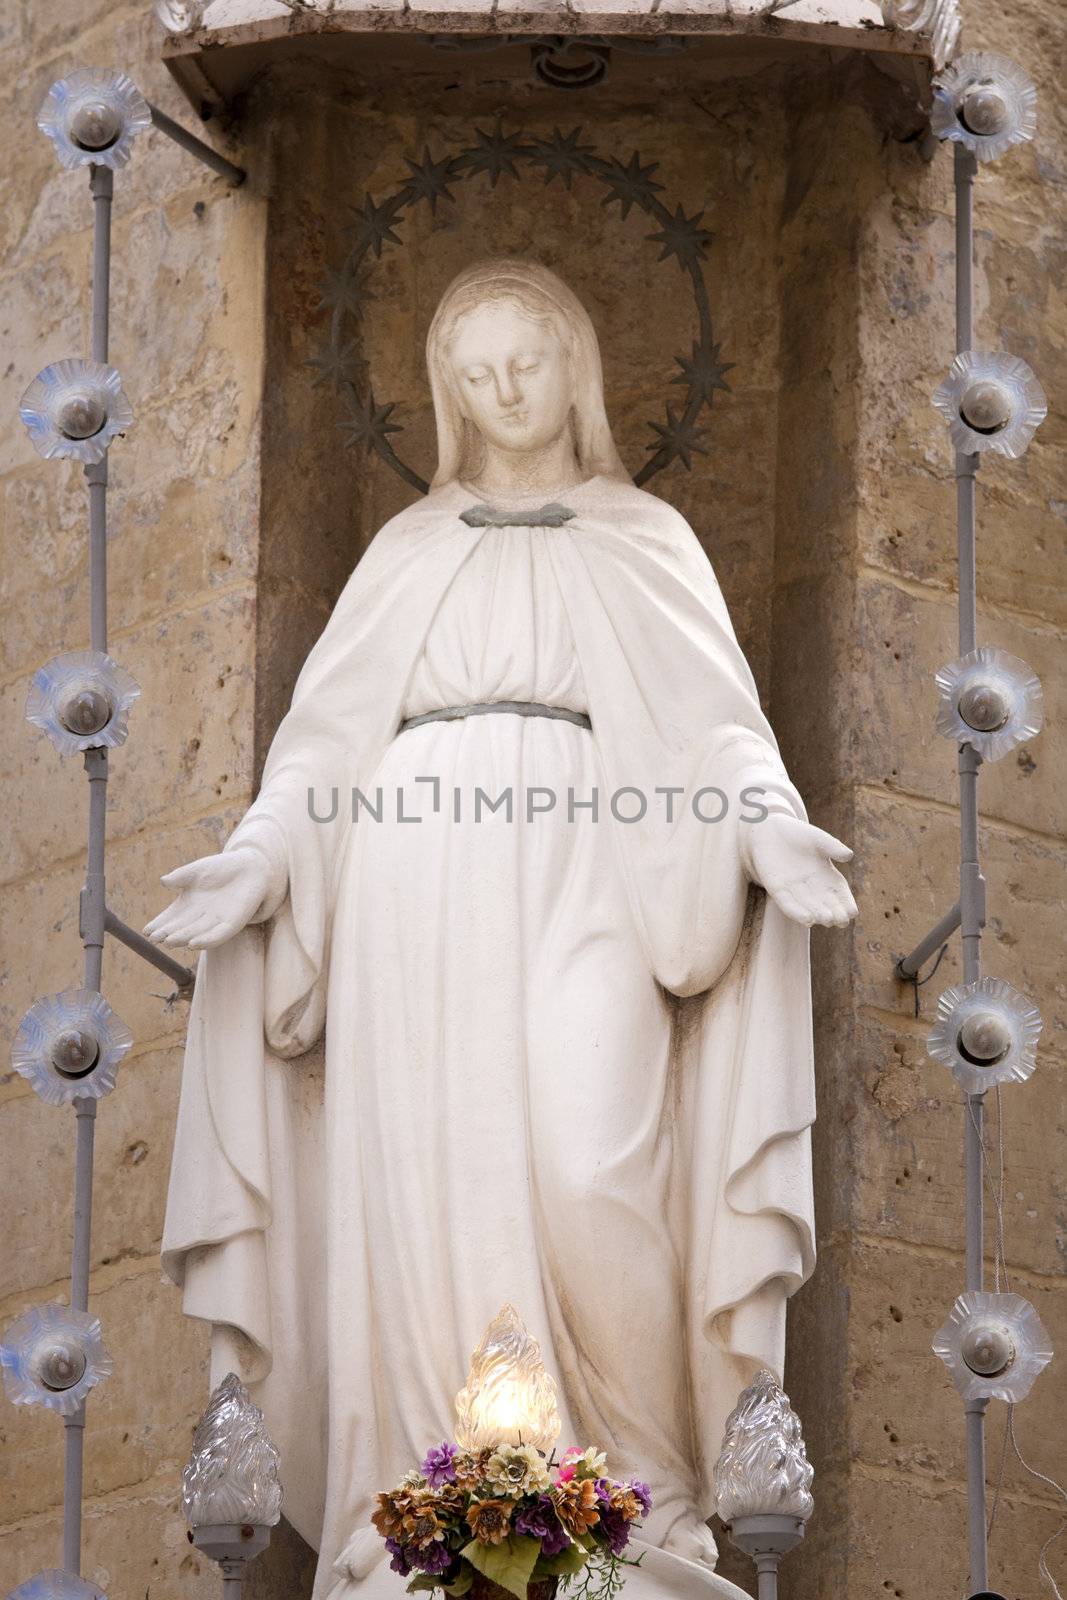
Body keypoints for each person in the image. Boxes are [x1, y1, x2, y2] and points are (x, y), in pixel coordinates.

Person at [151, 259, 856, 1599]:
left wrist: (763, 823)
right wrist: (259, 861)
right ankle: (419, 1511)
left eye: (525, 361)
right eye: (473, 373)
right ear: (443, 393)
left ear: (576, 367)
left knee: (593, 1166)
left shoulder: (641, 536)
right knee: (429, 1163)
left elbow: (717, 726)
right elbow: (321, 747)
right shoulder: (406, 551)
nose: (504, 391)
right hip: (412, 891)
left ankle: (634, 1508)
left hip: (599, 863)